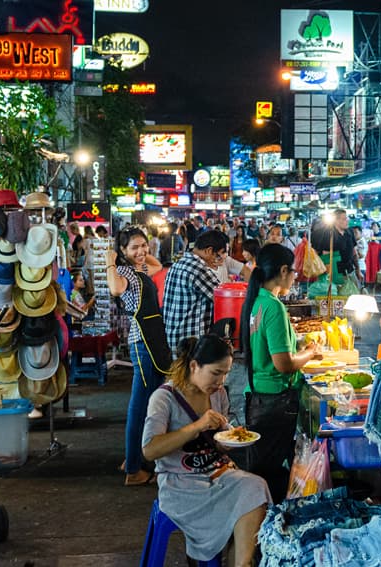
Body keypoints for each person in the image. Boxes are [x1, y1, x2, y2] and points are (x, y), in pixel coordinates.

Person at [142, 335, 270, 566]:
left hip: (218, 473)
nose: (221, 381)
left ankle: (242, 563)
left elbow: (218, 441)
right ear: (194, 366)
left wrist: (230, 439)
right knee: (244, 499)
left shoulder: (218, 394)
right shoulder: (163, 398)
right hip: (180, 483)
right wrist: (197, 426)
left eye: (225, 373)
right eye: (215, 373)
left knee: (256, 487)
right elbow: (149, 450)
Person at [241, 244, 320, 502]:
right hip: (275, 400)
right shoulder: (273, 306)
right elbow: (283, 364)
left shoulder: (256, 301)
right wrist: (310, 352)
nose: (295, 278)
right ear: (283, 270)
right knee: (271, 473)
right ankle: (268, 526)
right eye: (294, 273)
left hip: (258, 396)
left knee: (264, 466)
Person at [107, 228, 167, 486]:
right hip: (142, 340)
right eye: (134, 248)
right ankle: (133, 469)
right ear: (123, 251)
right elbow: (115, 288)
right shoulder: (124, 272)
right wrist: (111, 260)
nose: (141, 251)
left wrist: (143, 253)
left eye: (144, 245)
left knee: (147, 402)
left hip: (152, 338)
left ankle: (132, 458)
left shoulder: (140, 269)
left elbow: (158, 264)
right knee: (140, 406)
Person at [163, 230, 230, 353]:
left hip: (174, 336)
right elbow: (224, 299)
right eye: (220, 255)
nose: (220, 261)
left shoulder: (178, 264)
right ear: (209, 251)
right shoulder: (198, 269)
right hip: (191, 340)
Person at [311, 209, 358, 287]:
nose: (347, 221)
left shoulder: (350, 232)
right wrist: (328, 277)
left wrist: (358, 269)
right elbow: (326, 257)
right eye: (344, 219)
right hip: (334, 274)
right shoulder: (328, 234)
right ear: (336, 221)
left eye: (347, 218)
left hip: (350, 271)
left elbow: (354, 252)